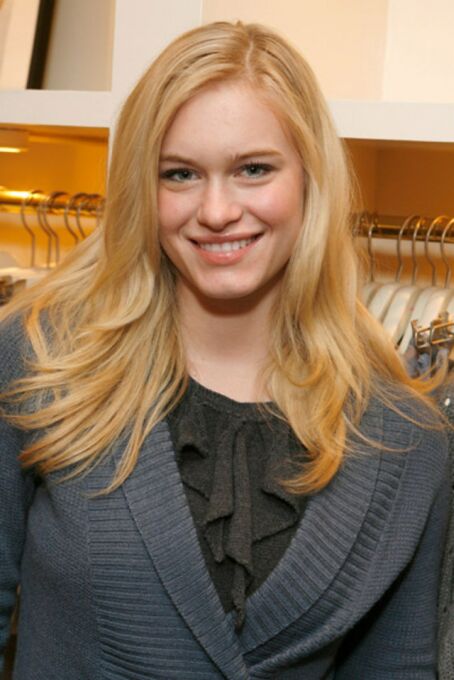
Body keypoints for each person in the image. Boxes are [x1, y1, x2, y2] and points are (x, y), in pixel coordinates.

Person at [0, 21, 449, 680]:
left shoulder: (405, 438)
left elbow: (398, 666)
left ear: (310, 179)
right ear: (142, 188)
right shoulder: (41, 361)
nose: (216, 211)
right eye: (180, 174)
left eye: (253, 169)